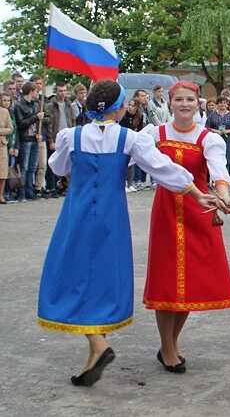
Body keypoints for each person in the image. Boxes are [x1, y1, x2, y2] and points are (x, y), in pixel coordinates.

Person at [38, 79, 216, 386]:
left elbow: (57, 167)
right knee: (104, 279)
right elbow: (162, 168)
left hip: (76, 215)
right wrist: (196, 192)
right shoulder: (129, 139)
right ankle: (96, 346)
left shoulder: (71, 135)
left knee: (72, 276)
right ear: (120, 108)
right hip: (112, 217)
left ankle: (96, 345)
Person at [143, 81, 230, 373]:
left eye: (190, 100)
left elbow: (218, 168)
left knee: (192, 279)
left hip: (200, 209)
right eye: (179, 99)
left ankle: (169, 343)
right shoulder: (153, 134)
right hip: (166, 209)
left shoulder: (208, 137)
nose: (185, 104)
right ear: (169, 103)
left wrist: (223, 193)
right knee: (166, 278)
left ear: (198, 103)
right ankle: (168, 347)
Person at [13, 81, 43, 201]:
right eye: (35, 91)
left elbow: (38, 124)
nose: (37, 93)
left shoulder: (36, 105)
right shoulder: (19, 105)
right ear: (31, 91)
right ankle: (22, 192)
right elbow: (21, 124)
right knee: (24, 167)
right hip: (25, 139)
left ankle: (30, 191)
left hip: (34, 138)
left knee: (33, 167)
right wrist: (35, 117)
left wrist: (39, 133)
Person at [206, 96, 230, 179]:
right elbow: (206, 126)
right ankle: (216, 178)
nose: (223, 104)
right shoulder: (213, 114)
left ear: (227, 104)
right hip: (216, 138)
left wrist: (229, 131)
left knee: (228, 158)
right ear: (218, 104)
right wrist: (214, 130)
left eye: (224, 103)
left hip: (228, 139)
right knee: (217, 158)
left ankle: (226, 178)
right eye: (221, 103)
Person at [0, 94, 13, 204]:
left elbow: (10, 129)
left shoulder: (4, 112)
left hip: (2, 145)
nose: (6, 102)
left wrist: (1, 131)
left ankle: (1, 195)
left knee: (3, 171)